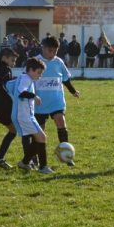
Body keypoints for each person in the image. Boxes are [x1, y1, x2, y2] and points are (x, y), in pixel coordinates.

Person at [34, 36, 80, 166]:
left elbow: (65, 79)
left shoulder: (59, 62)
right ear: (43, 48)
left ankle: (66, 155)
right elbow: (27, 80)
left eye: (55, 51)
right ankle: (35, 156)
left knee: (61, 121)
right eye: (50, 50)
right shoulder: (35, 61)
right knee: (40, 131)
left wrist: (72, 91)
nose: (53, 53)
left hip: (56, 101)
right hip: (40, 103)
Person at [9, 57, 54, 174]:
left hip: (25, 115)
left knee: (38, 138)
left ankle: (24, 162)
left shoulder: (25, 78)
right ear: (30, 70)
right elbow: (21, 92)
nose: (40, 76)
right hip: (24, 116)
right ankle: (43, 167)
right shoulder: (26, 79)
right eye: (39, 72)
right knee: (42, 137)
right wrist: (34, 96)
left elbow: (10, 86)